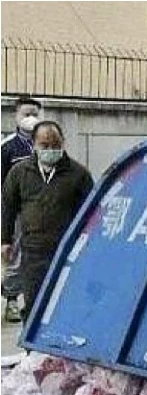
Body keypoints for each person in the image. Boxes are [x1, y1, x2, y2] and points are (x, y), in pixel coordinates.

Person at [1, 120, 93, 322]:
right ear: (33, 145)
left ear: (63, 143)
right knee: (35, 303)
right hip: (33, 251)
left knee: (64, 303)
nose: (51, 150)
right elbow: (8, 206)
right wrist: (5, 240)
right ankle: (31, 340)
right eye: (45, 145)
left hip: (67, 251)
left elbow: (91, 213)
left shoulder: (79, 175)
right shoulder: (19, 173)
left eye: (55, 145)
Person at [1, 96, 42, 322]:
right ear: (16, 116)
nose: (31, 118)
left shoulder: (44, 143)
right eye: (27, 114)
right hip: (16, 210)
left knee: (36, 255)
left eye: (35, 114)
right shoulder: (7, 147)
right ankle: (11, 299)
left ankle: (33, 300)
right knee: (14, 255)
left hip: (41, 209)